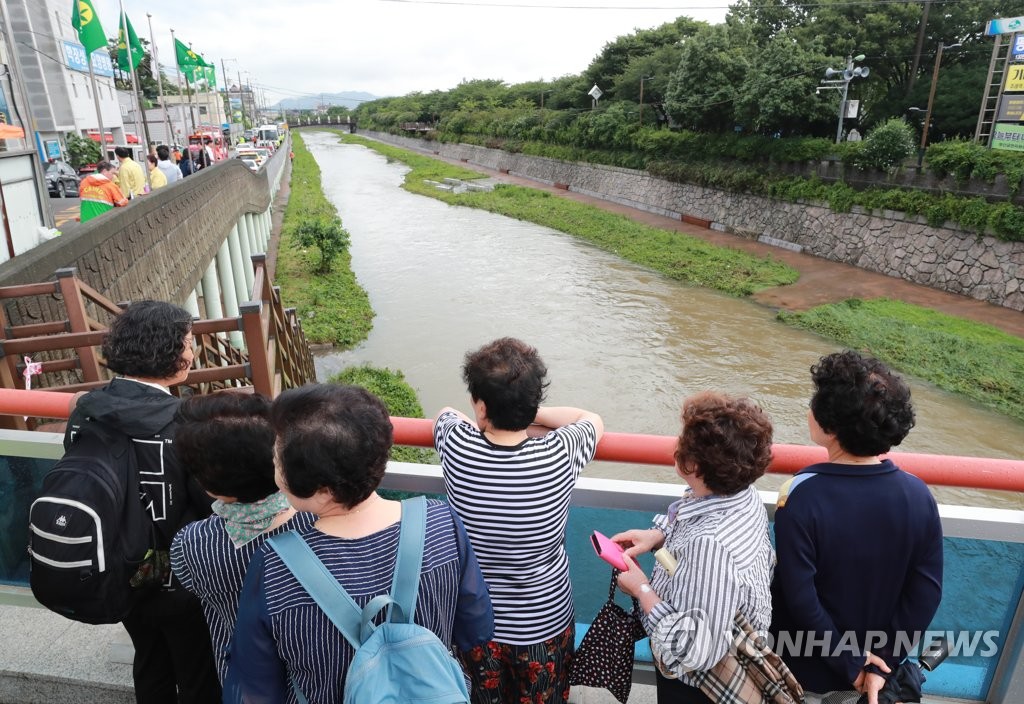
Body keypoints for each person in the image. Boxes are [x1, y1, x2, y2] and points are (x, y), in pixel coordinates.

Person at [223, 384, 494, 703]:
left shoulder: (274, 566)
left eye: (278, 456)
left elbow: (255, 687)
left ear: (319, 487)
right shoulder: (441, 521)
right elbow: (476, 627)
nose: (274, 464)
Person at [434, 337, 604, 704]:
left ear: (481, 407)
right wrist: (531, 414)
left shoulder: (457, 445)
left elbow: (446, 413)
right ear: (533, 402)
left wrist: (488, 415)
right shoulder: (559, 452)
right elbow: (591, 419)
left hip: (476, 624)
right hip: (544, 623)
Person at [65, 300, 220, 703]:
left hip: (119, 564)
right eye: (187, 343)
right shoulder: (184, 419)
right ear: (167, 350)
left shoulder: (87, 410)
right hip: (178, 572)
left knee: (149, 660)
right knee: (198, 671)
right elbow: (210, 504)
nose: (192, 353)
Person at [770, 351, 943, 704]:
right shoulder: (918, 494)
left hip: (804, 667)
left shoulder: (801, 495)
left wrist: (851, 663)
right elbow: (925, 592)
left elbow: (800, 595)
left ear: (829, 426)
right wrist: (882, 664)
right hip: (880, 669)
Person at [612, 391, 776, 704]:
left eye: (682, 439)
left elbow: (694, 651)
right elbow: (694, 521)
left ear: (694, 465)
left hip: (699, 687)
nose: (676, 444)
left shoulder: (710, 546)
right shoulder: (742, 493)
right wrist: (657, 536)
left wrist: (641, 589)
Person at [169, 391, 316, 685]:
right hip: (316, 671)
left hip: (246, 678)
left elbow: (192, 584)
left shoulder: (193, 543)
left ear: (207, 485)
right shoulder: (320, 522)